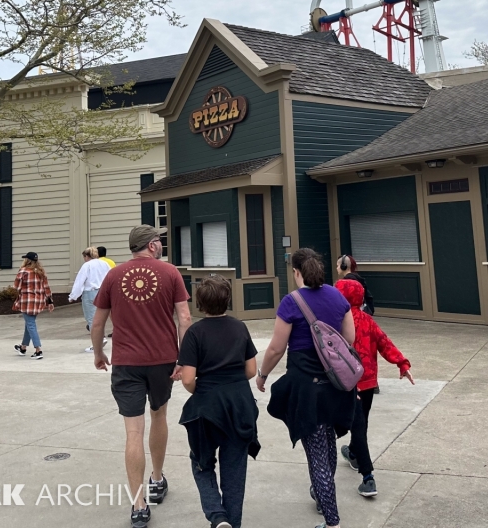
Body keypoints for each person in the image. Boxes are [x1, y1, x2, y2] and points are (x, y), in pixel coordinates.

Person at [91, 225, 191, 528]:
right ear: (151, 245)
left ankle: (138, 505)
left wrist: (99, 353)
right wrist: (183, 360)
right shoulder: (171, 273)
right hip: (162, 361)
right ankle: (157, 480)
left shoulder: (113, 276)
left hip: (126, 362)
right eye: (158, 241)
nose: (160, 244)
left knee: (133, 431)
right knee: (159, 416)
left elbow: (97, 324)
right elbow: (184, 318)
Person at [256, 248, 357, 528]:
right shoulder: (337, 296)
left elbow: (276, 348)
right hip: (336, 384)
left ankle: (332, 521)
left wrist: (263, 374)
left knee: (316, 455)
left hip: (306, 387)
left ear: (296, 272)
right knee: (326, 442)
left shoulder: (291, 302)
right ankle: (322, 493)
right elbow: (350, 337)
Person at [178, 275, 260, 528]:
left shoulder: (195, 333)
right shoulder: (239, 327)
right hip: (239, 405)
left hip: (208, 407)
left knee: (202, 462)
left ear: (200, 304)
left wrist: (202, 391)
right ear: (228, 300)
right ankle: (232, 522)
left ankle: (216, 514)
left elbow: (188, 378)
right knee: (234, 469)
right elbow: (250, 371)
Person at [334, 278, 413, 498]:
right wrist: (402, 363)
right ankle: (353, 452)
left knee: (356, 426)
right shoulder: (368, 320)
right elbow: (385, 343)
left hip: (348, 384)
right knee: (361, 422)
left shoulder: (336, 321)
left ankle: (368, 477)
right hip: (368, 383)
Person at [12, 252, 54, 359]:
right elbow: (46, 288)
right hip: (39, 302)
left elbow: (16, 287)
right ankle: (23, 347)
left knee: (30, 325)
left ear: (27, 260)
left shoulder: (23, 271)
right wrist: (50, 302)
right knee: (29, 324)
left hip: (27, 301)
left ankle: (38, 350)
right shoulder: (41, 272)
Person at [68, 247, 110, 353]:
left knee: (91, 318)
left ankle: (97, 342)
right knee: (100, 318)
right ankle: (101, 337)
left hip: (90, 293)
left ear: (87, 256)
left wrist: (73, 296)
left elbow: (80, 281)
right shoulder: (104, 264)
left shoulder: (87, 266)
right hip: (103, 292)